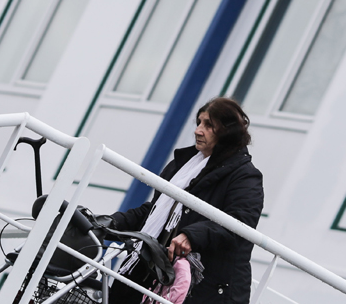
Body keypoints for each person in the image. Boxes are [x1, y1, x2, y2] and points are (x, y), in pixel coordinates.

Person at [108, 97, 263, 304]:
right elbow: (155, 212)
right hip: (155, 276)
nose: (198, 130)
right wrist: (110, 222)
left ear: (227, 131)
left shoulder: (245, 175)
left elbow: (241, 224)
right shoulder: (181, 166)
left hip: (205, 289)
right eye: (199, 122)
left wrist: (191, 236)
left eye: (209, 125)